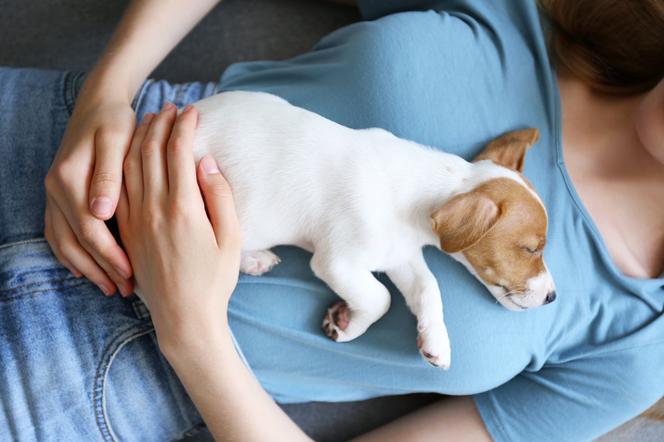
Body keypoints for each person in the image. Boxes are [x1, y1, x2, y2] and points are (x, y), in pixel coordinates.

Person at [0, 0, 662, 440]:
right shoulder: (529, 17)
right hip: (76, 138)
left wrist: (191, 330)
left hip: (88, 373)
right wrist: (109, 86)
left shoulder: (641, 343)